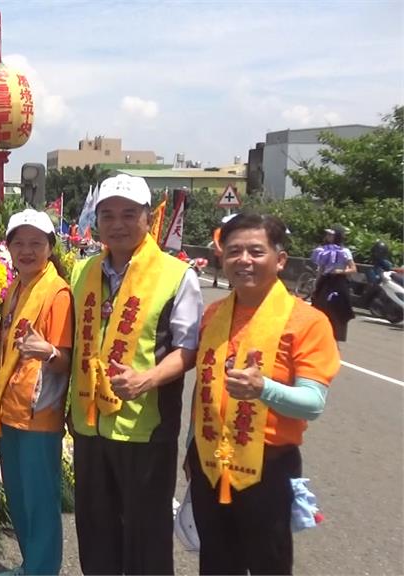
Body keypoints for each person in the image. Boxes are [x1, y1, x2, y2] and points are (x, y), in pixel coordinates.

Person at [187, 213, 339, 574]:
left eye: (256, 251)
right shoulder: (213, 314)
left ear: (280, 260)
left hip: (267, 466)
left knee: (267, 563)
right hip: (210, 460)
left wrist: (263, 389)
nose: (244, 260)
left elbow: (312, 404)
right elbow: (204, 387)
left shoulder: (307, 321)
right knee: (215, 562)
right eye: (234, 251)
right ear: (222, 258)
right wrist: (191, 449)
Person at [67, 174, 203, 575]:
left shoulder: (176, 275)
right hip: (89, 424)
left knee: (145, 535)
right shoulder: (83, 271)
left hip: (145, 427)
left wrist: (148, 378)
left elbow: (188, 348)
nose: (118, 224)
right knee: (95, 529)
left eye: (129, 214)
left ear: (148, 218)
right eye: (108, 215)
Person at [0, 209, 73, 576]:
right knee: (19, 499)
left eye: (36, 243)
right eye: (19, 243)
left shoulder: (57, 292)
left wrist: (48, 352)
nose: (27, 250)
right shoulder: (18, 287)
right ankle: (29, 565)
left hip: (40, 413)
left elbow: (65, 359)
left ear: (50, 247)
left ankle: (41, 570)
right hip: (12, 410)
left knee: (40, 501)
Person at [310, 227, 356, 341]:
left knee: (339, 307)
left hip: (339, 281)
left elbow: (353, 269)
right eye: (327, 235)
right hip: (326, 280)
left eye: (331, 235)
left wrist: (341, 271)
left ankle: (336, 335)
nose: (328, 237)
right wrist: (316, 284)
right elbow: (321, 269)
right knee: (319, 306)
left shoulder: (345, 251)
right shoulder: (323, 251)